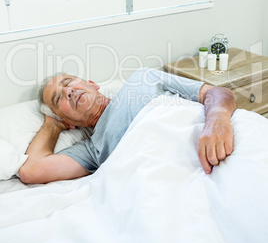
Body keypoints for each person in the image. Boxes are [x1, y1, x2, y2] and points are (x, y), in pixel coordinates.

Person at [19, 68, 236, 184]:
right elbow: (31, 171)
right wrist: (52, 125)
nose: (68, 92)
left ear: (92, 84)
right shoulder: (92, 149)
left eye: (68, 83)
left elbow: (215, 93)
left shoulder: (143, 78)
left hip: (219, 141)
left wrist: (217, 118)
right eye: (59, 99)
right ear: (67, 122)